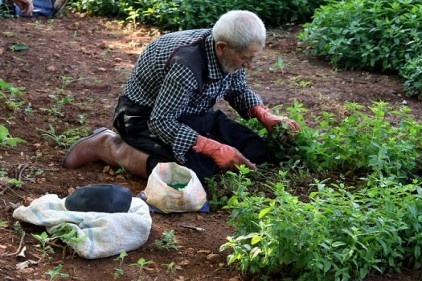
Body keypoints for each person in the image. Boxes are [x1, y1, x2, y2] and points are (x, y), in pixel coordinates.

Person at [62, 10, 301, 182]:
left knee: (255, 148)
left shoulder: (228, 49)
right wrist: (213, 148)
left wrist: (263, 115)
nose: (250, 65)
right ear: (222, 48)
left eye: (254, 57)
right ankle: (108, 146)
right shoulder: (186, 64)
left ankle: (207, 148)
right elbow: (161, 121)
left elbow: (238, 89)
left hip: (189, 113)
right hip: (143, 119)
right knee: (196, 172)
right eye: (246, 58)